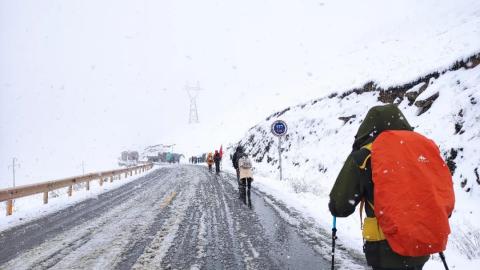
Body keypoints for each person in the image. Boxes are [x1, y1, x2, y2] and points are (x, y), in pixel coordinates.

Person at [329, 104, 439, 270]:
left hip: (385, 247)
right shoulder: (422, 150)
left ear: (367, 127)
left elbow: (341, 206)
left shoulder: (365, 156)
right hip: (421, 244)